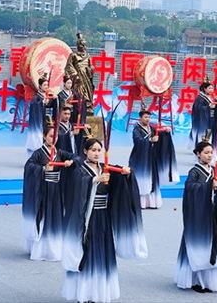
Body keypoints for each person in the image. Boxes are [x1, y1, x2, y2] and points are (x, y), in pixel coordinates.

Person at [62, 138, 147, 303]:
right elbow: (76, 187)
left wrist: (127, 173)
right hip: (87, 218)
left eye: (98, 150)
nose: (96, 153)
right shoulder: (80, 171)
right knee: (88, 252)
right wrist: (94, 180)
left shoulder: (106, 168)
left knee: (103, 253)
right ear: (85, 151)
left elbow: (120, 179)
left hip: (104, 217)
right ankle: (84, 294)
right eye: (92, 150)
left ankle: (99, 292)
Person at [175, 139, 217, 293]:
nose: (210, 155)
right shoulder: (194, 172)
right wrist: (208, 186)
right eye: (206, 152)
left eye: (211, 152)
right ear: (198, 154)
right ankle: (195, 280)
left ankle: (210, 281)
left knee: (213, 244)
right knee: (197, 245)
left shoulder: (214, 170)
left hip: (213, 214)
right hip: (199, 216)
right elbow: (191, 188)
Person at [22, 118, 75, 261]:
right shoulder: (38, 153)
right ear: (44, 136)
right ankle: (40, 250)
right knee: (44, 218)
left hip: (56, 190)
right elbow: (29, 167)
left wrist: (71, 161)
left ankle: (54, 249)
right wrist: (44, 168)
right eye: (51, 135)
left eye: (56, 136)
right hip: (43, 191)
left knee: (56, 218)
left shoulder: (61, 152)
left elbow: (76, 158)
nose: (54, 138)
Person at [129, 109, 179, 209]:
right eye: (145, 117)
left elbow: (159, 134)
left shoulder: (151, 128)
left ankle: (152, 202)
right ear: (140, 118)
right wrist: (150, 140)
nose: (147, 119)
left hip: (151, 157)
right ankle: (141, 203)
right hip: (140, 158)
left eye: (149, 117)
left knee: (152, 178)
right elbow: (138, 141)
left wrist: (166, 132)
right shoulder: (136, 130)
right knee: (142, 179)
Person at [190, 81, 217, 151]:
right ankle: (201, 149)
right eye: (209, 88)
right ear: (205, 89)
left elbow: (216, 102)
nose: (211, 90)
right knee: (203, 134)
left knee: (209, 133)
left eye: (212, 88)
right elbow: (198, 108)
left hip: (211, 119)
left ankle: (208, 147)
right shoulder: (200, 98)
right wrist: (208, 107)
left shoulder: (210, 97)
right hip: (204, 121)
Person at [64, 32, 95, 115]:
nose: (84, 47)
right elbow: (69, 66)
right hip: (78, 77)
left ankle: (88, 106)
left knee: (88, 91)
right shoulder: (73, 55)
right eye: (82, 45)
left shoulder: (88, 56)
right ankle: (79, 107)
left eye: (85, 45)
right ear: (78, 45)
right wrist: (75, 75)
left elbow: (91, 66)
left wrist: (91, 69)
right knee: (79, 93)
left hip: (86, 77)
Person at [25, 77, 55, 156]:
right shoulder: (37, 98)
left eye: (47, 85)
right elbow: (35, 105)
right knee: (37, 138)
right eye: (44, 85)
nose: (46, 86)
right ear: (40, 86)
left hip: (45, 120)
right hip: (38, 122)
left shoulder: (47, 96)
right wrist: (43, 102)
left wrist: (54, 99)